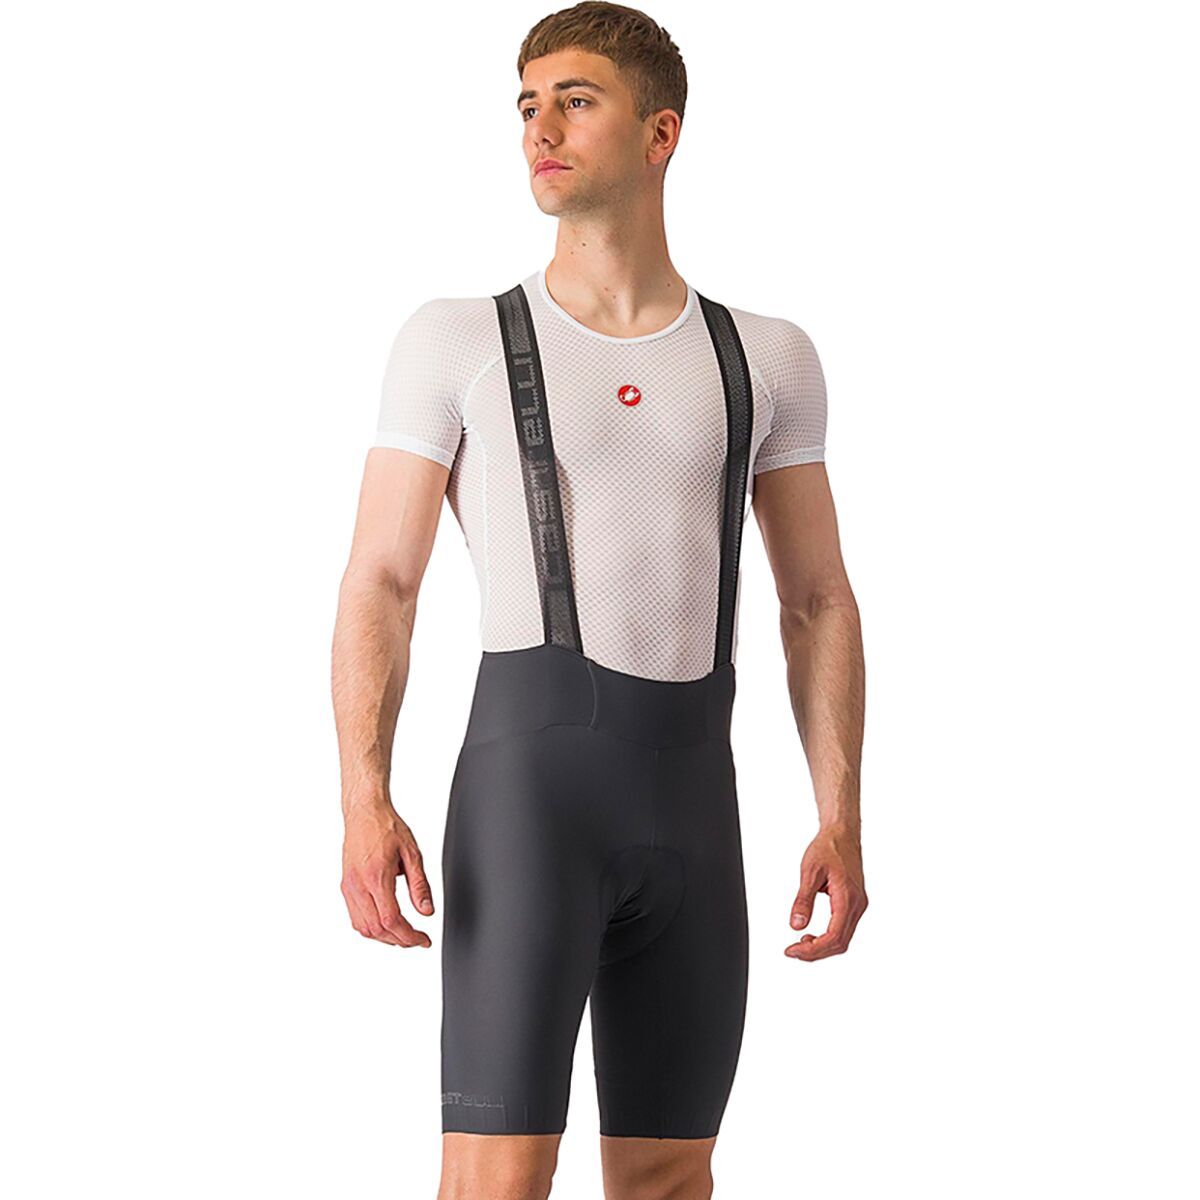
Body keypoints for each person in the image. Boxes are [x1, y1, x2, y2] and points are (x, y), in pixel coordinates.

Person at [331, 4, 867, 1196]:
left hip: (696, 813)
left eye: (575, 102)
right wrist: (364, 797)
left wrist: (841, 817)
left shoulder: (765, 357)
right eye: (528, 106)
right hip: (530, 809)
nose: (541, 130)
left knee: (673, 1179)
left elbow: (819, 600)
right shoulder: (458, 340)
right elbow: (381, 581)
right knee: (494, 1182)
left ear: (661, 132)